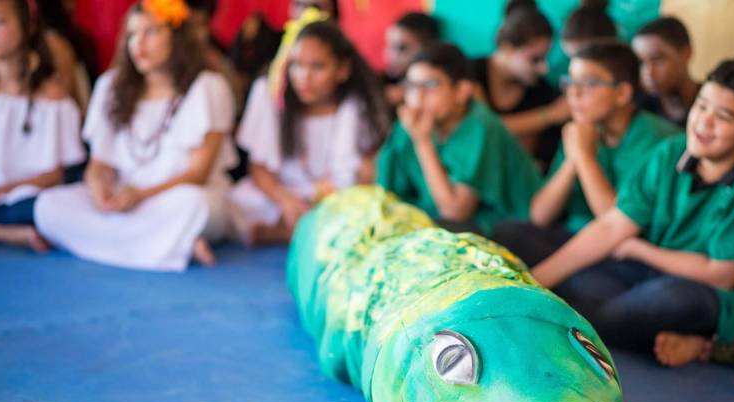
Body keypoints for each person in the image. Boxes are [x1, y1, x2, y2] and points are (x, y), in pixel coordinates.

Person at [531, 59, 734, 367]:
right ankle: (595, 319)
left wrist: (640, 249)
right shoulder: (673, 151)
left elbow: (720, 275)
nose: (703, 122)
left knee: (672, 299)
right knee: (582, 275)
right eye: (702, 106)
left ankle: (570, 324)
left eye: (722, 116)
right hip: (656, 273)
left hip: (720, 297)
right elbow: (613, 225)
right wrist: (534, 282)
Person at [34, 0, 237, 271]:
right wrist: (100, 193)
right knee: (48, 206)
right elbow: (99, 165)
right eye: (131, 35)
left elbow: (198, 174)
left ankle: (113, 243)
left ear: (177, 37)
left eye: (150, 32)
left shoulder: (207, 86)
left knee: (193, 204)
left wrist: (142, 195)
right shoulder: (109, 86)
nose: (138, 44)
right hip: (124, 201)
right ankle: (171, 246)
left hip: (172, 200)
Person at [493, 41, 677, 266]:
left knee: (582, 286)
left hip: (626, 253)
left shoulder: (656, 141)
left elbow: (614, 225)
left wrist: (584, 157)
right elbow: (539, 215)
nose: (574, 93)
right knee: (508, 233)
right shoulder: (584, 129)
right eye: (570, 82)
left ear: (622, 93)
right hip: (575, 239)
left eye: (589, 83)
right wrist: (572, 161)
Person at [229, 18, 388, 245]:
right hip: (286, 194)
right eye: (296, 65)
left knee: (363, 212)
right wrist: (285, 200)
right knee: (239, 199)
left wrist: (329, 199)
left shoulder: (356, 107)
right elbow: (259, 168)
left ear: (342, 70)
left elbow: (366, 172)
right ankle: (303, 233)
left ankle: (285, 234)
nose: (304, 76)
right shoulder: (271, 97)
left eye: (318, 67)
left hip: (338, 197)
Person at [376, 42, 541, 235]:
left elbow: (454, 212)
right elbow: (386, 195)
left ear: (462, 91)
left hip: (507, 228)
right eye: (411, 86)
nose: (418, 98)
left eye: (430, 86)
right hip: (435, 221)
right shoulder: (410, 122)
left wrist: (422, 142)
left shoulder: (480, 126)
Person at [0, 0, 84, 252]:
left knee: (50, 207)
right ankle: (5, 234)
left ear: (27, 25)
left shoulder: (51, 95)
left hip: (26, 199)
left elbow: (57, 176)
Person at [471, 2, 565, 168]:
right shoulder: (470, 73)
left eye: (545, 58)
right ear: (507, 49)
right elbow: (483, 130)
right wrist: (550, 115)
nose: (544, 68)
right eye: (535, 59)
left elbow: (526, 162)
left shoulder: (540, 89)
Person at [632, 16, 700, 127]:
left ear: (686, 53)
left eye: (657, 59)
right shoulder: (638, 111)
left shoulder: (711, 105)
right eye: (641, 63)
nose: (648, 73)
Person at [382, 12, 439, 110]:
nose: (390, 55)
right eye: (388, 45)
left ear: (426, 48)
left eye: (402, 48)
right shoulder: (381, 82)